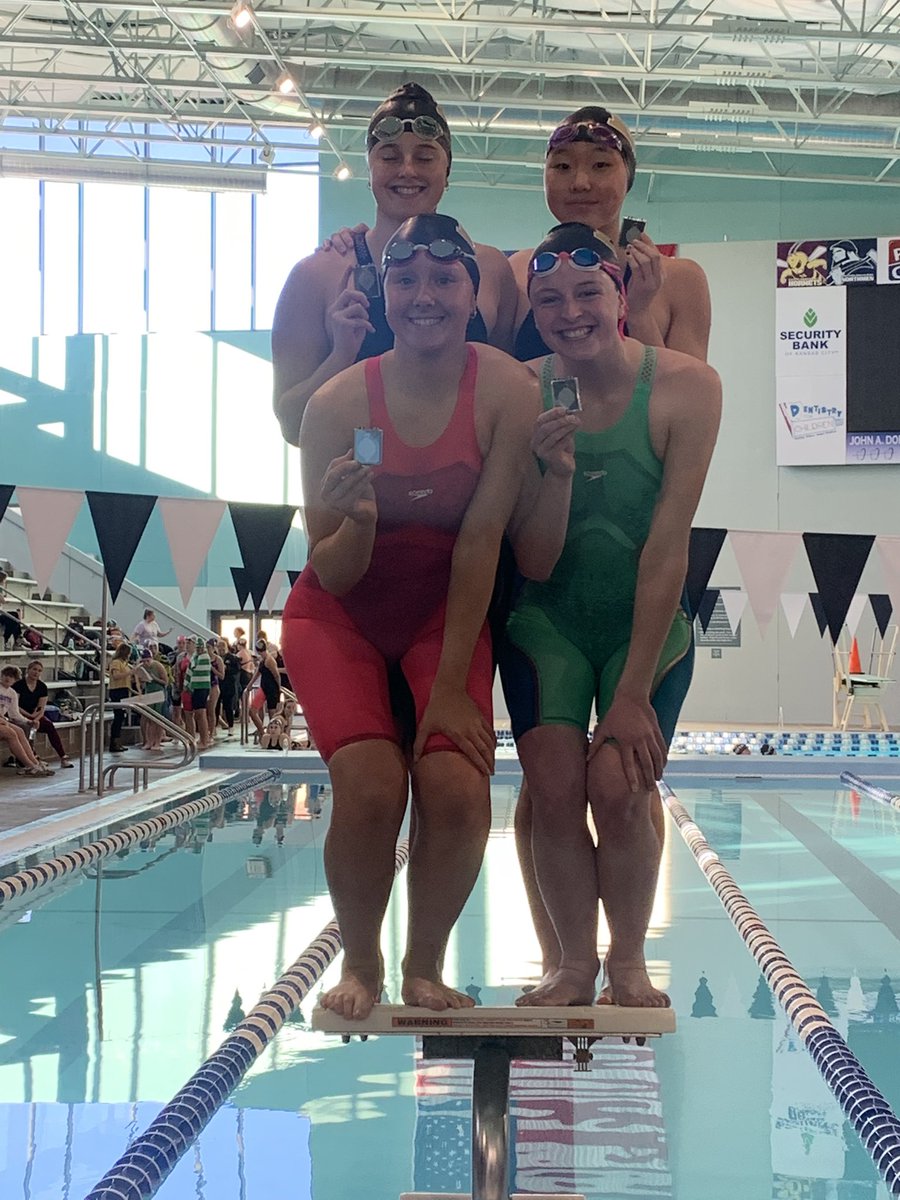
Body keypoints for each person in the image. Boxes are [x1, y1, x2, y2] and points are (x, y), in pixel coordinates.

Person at [281, 213, 536, 1020]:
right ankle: (361, 963)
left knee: (459, 787)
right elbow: (332, 569)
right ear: (384, 295)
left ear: (472, 295)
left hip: (443, 610)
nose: (423, 295)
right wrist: (355, 522)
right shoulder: (334, 404)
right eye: (405, 281)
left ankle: (424, 964)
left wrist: (456, 687)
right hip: (340, 613)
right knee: (369, 784)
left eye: (443, 279)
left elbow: (483, 540)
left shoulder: (505, 389)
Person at [501, 223, 720, 1008]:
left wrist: (631, 696)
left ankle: (627, 957)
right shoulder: (519, 390)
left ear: (621, 297)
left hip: (648, 626)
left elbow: (668, 548)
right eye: (549, 298)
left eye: (588, 292)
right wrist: (553, 473)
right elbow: (531, 561)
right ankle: (571, 962)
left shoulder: (687, 387)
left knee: (620, 785)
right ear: (534, 311)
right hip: (545, 622)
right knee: (555, 788)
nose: (571, 311)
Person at [272, 81, 518, 445]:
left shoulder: (491, 269)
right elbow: (293, 426)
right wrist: (341, 355)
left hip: (469, 495)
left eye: (424, 157)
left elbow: (506, 403)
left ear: (447, 170)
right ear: (369, 169)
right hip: (358, 497)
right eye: (388, 157)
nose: (406, 170)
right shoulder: (319, 275)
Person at [509, 108, 711, 364]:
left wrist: (639, 313)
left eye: (600, 165)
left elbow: (691, 399)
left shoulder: (680, 281)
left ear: (629, 177)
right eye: (562, 166)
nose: (580, 182)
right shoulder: (517, 273)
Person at [11, 659, 74, 767]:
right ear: (28, 670)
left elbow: (41, 707)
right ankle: (33, 758)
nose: (36, 672)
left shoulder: (42, 687)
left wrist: (36, 718)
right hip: (20, 714)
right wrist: (28, 718)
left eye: (39, 670)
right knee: (25, 728)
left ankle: (63, 756)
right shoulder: (18, 685)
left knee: (49, 726)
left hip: (35, 715)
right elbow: (15, 706)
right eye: (34, 669)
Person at [248, 638, 282, 742]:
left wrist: (279, 689)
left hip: (272, 689)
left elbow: (277, 676)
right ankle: (262, 732)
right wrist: (250, 685)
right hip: (264, 688)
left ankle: (274, 737)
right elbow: (258, 672)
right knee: (252, 711)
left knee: (272, 716)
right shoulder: (263, 660)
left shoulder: (269, 660)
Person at [185, 637, 212, 749]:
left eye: (201, 647)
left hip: (202, 688)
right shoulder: (195, 657)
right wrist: (187, 685)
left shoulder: (204, 657)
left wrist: (188, 684)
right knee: (198, 714)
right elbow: (190, 672)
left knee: (201, 714)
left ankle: (204, 740)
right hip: (195, 688)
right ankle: (202, 738)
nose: (199, 649)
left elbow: (194, 669)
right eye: (198, 648)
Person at [107, 642, 134, 753]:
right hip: (116, 690)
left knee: (121, 716)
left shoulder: (125, 663)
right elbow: (116, 676)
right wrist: (129, 673)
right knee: (118, 716)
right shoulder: (116, 662)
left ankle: (118, 740)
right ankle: (114, 742)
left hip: (123, 689)